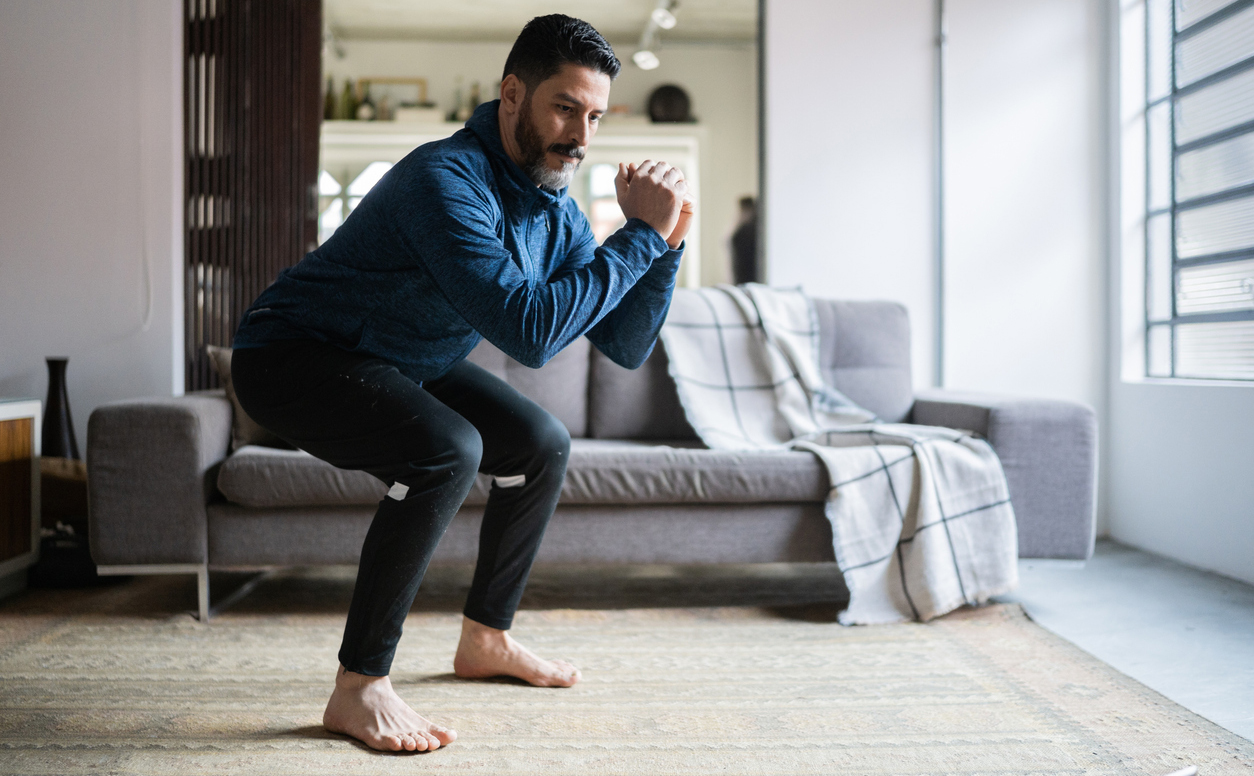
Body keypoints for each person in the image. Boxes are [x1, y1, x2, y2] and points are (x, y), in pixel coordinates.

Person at [228, 14, 693, 753]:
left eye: (595, 116)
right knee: (447, 449)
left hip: (401, 356)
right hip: (293, 352)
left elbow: (623, 345)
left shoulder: (556, 210)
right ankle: (359, 687)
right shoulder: (443, 181)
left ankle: (486, 640)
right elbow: (531, 332)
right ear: (513, 94)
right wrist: (635, 237)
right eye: (565, 107)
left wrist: (664, 246)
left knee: (541, 443)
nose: (581, 134)